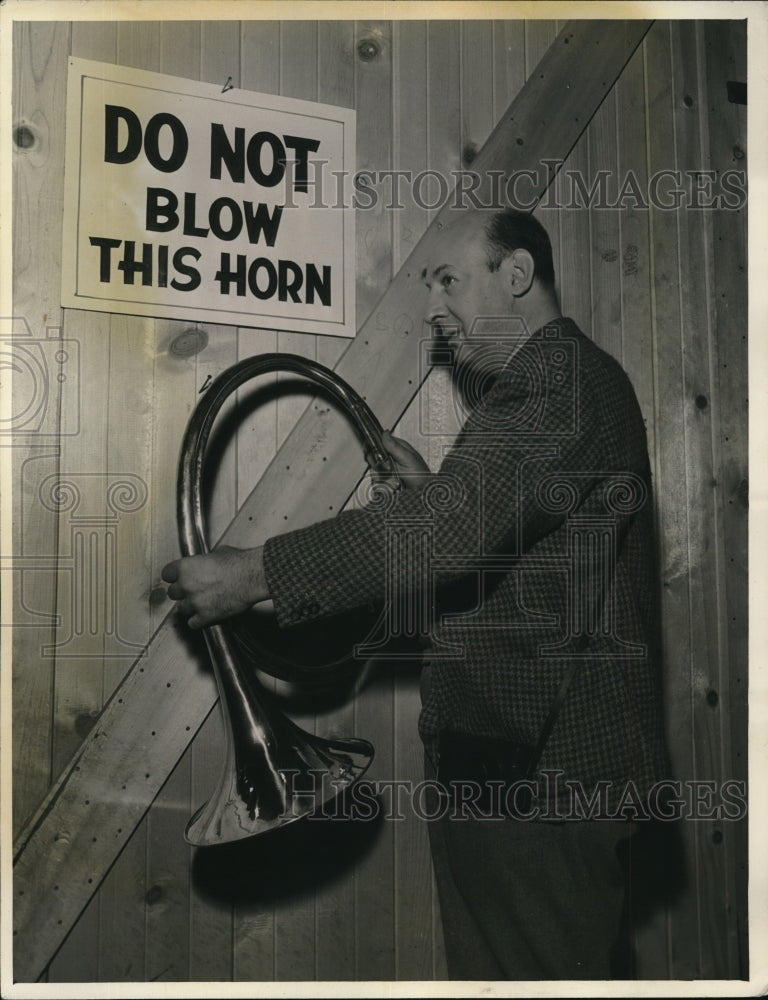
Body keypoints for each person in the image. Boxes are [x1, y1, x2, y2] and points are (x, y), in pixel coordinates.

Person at [162, 208, 669, 980]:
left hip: (540, 778)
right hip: (517, 767)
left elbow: (454, 531)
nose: (434, 308)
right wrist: (435, 492)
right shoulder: (554, 389)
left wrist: (251, 573)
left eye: (450, 282)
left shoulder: (559, 379)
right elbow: (518, 543)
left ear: (518, 275)